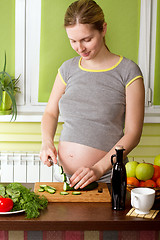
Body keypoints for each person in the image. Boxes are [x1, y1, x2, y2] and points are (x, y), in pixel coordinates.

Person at [40, 0, 145, 190]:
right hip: (63, 177)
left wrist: (97, 169)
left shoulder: (128, 71)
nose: (80, 48)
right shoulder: (67, 69)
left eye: (86, 39)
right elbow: (50, 113)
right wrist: (47, 142)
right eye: (73, 40)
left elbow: (133, 133)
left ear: (103, 29)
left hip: (106, 178)